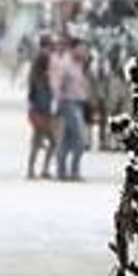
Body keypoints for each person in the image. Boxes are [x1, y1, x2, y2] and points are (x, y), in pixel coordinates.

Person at [50, 38, 89, 181]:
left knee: (68, 138)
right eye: (81, 48)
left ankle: (62, 172)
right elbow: (56, 84)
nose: (84, 51)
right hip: (68, 103)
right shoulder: (65, 64)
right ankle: (73, 171)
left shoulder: (80, 64)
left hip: (79, 102)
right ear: (73, 49)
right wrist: (59, 101)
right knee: (80, 138)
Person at [25, 35, 56, 180]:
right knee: (48, 141)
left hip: (37, 109)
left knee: (38, 140)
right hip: (42, 111)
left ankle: (33, 170)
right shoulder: (42, 81)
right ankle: (39, 170)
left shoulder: (35, 75)